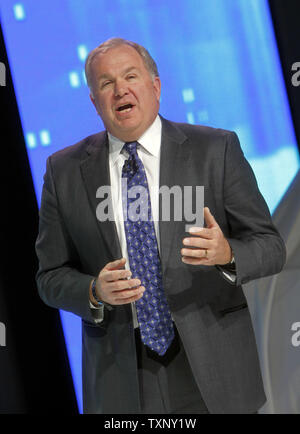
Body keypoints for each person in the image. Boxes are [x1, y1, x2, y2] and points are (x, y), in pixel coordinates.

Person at [35, 37, 286, 414]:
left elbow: (270, 246)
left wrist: (227, 254)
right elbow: (49, 277)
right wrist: (93, 290)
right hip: (122, 375)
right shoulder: (64, 171)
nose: (120, 89)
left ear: (155, 86)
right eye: (106, 83)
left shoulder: (214, 149)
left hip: (212, 365)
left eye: (130, 76)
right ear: (94, 101)